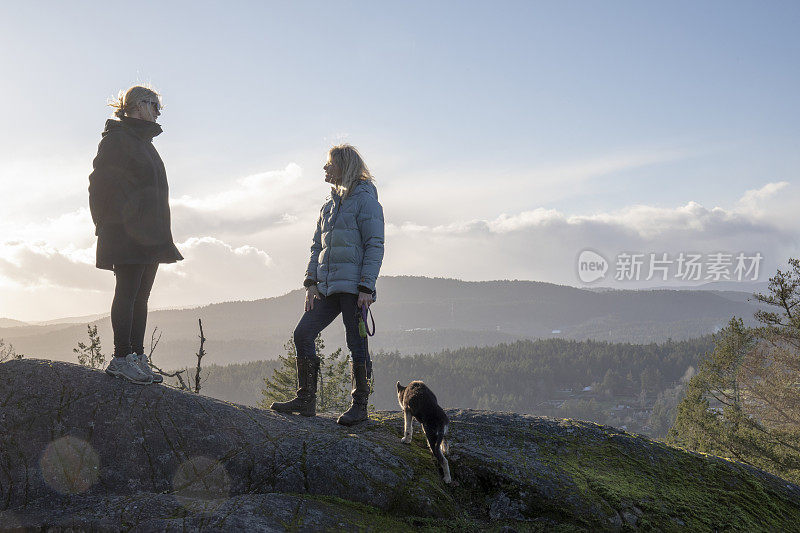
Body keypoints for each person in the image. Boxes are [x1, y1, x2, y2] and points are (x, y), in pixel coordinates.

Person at [271, 144, 385, 425]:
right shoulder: (329, 205)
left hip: (354, 288)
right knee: (303, 334)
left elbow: (374, 246)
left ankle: (359, 406)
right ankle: (306, 399)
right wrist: (311, 283)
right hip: (326, 286)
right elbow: (316, 246)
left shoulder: (366, 202)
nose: (325, 168)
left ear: (344, 166)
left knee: (355, 343)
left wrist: (366, 288)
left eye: (329, 164)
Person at [88, 85, 183, 385]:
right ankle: (120, 358)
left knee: (141, 296)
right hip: (126, 232)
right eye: (156, 106)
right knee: (128, 292)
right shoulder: (117, 140)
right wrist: (106, 224)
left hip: (150, 235)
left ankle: (136, 357)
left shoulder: (144, 143)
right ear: (139, 105)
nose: (158, 113)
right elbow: (97, 185)